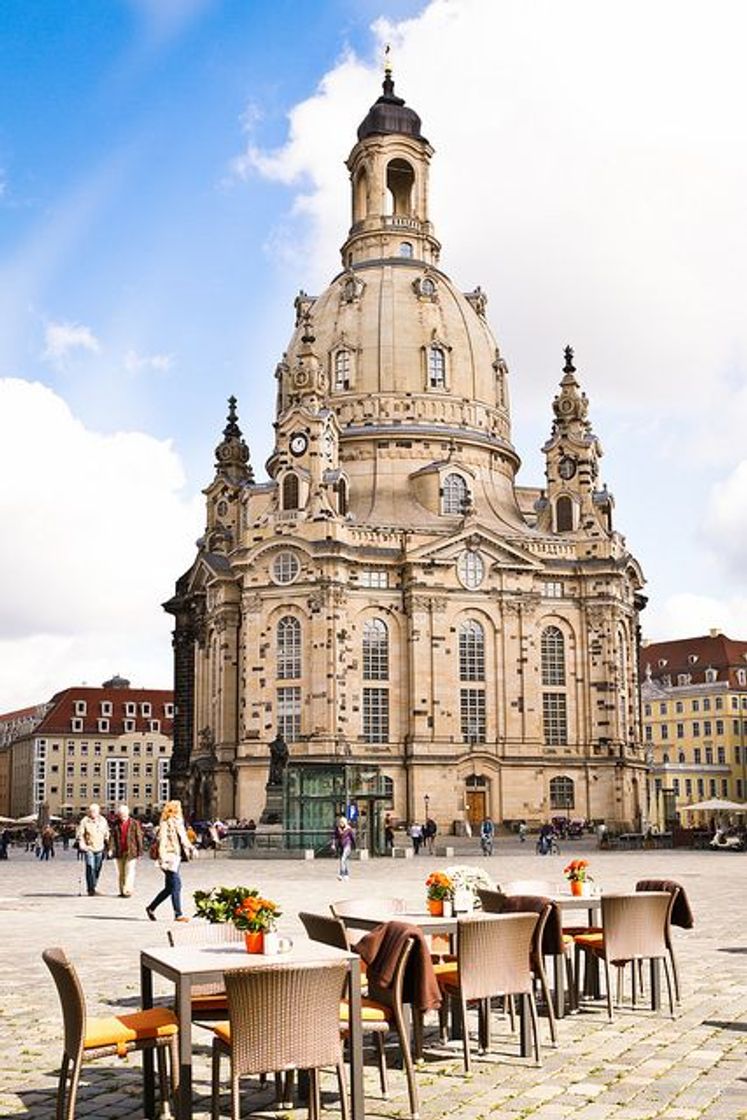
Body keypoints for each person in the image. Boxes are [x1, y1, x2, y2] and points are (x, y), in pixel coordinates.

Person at [146, 800, 195, 922]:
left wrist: (192, 847)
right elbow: (162, 841)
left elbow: (183, 839)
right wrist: (162, 859)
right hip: (168, 857)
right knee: (176, 885)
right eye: (178, 808)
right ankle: (178, 914)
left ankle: (151, 907)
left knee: (169, 887)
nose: (181, 810)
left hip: (175, 857)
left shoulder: (179, 823)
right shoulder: (165, 823)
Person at [109, 804, 143, 897]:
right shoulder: (115, 824)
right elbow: (112, 837)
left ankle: (127, 890)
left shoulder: (134, 823)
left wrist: (140, 851)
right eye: (120, 815)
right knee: (121, 873)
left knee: (130, 871)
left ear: (128, 813)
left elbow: (138, 837)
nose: (122, 817)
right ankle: (121, 890)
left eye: (124, 815)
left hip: (131, 851)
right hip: (119, 851)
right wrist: (111, 848)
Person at [76, 803, 110, 895]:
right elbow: (80, 834)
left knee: (97, 869)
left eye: (94, 811)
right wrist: (82, 844)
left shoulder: (103, 820)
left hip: (100, 848)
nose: (93, 813)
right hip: (89, 848)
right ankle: (90, 889)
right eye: (91, 811)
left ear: (98, 811)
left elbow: (107, 833)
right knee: (90, 867)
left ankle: (93, 886)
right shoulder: (85, 821)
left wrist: (109, 845)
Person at [332, 815, 356, 880]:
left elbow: (352, 838)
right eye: (340, 822)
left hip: (347, 845)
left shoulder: (348, 829)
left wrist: (354, 846)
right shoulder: (337, 829)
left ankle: (341, 874)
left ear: (345, 823)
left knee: (343, 859)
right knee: (343, 861)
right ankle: (346, 874)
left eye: (342, 822)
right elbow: (334, 836)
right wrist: (333, 844)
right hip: (341, 846)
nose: (341, 824)